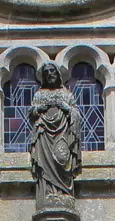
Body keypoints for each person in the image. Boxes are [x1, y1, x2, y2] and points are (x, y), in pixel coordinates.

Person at [29, 63, 82, 209]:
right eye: (46, 72)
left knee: (63, 158)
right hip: (44, 135)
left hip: (63, 133)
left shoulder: (67, 94)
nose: (49, 74)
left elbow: (76, 114)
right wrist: (39, 108)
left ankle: (64, 192)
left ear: (58, 74)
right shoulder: (39, 95)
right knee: (44, 164)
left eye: (52, 71)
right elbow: (31, 113)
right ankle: (47, 192)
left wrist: (66, 108)